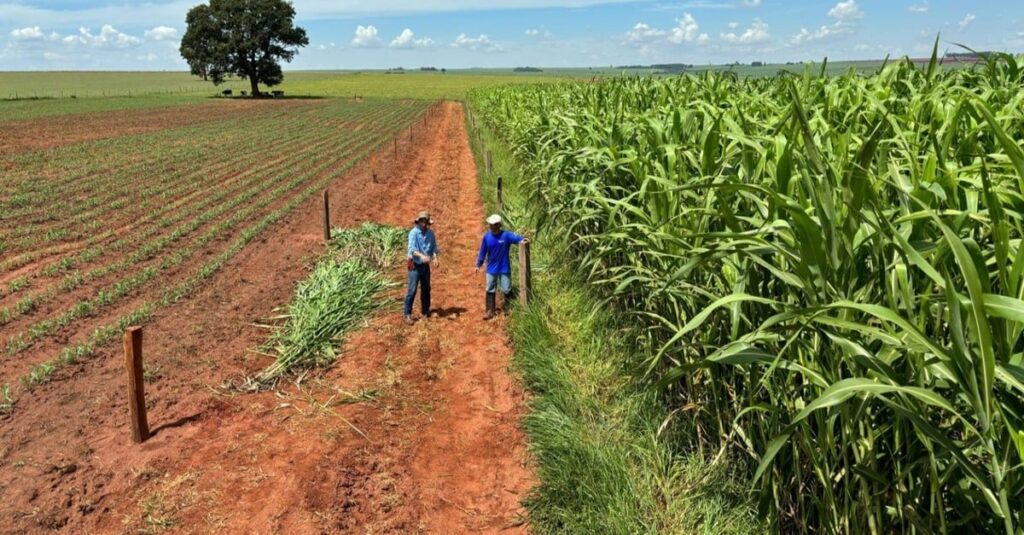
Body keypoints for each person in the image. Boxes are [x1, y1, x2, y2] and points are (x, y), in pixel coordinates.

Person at [475, 214, 528, 320]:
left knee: (506, 288)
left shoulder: (506, 236)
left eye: (494, 225)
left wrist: (524, 239)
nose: (492, 226)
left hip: (504, 267)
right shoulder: (487, 237)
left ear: (499, 225)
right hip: (491, 268)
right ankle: (490, 310)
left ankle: (508, 309)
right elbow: (482, 252)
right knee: (490, 288)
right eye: (490, 224)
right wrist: (478, 264)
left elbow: (518, 239)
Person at [404, 211, 440, 325]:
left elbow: (434, 247)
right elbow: (412, 250)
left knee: (426, 288)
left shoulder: (430, 234)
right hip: (415, 265)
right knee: (412, 290)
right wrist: (422, 256)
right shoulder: (413, 233)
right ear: (418, 222)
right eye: (421, 221)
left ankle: (425, 310)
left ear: (428, 223)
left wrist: (435, 257)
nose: (423, 224)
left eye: (425, 221)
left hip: (425, 266)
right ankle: (407, 314)